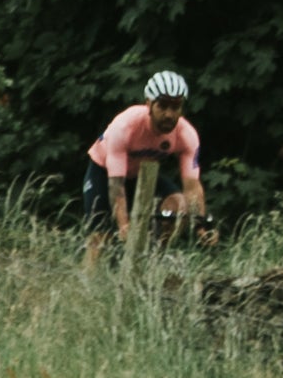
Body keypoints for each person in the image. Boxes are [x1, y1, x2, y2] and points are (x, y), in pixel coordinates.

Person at [85, 72, 210, 249]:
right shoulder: (125, 126)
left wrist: (201, 226)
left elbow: (192, 187)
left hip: (140, 174)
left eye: (175, 107)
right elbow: (116, 184)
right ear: (149, 104)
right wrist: (123, 225)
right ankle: (90, 274)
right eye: (163, 106)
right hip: (105, 171)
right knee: (99, 236)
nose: (169, 114)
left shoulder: (186, 135)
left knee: (178, 206)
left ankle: (154, 257)